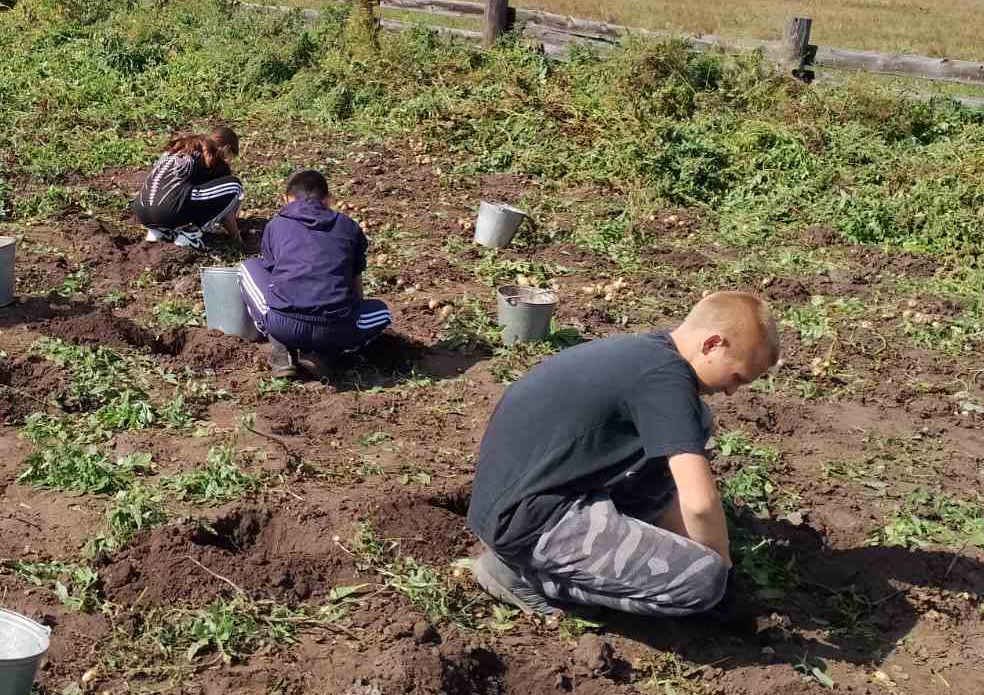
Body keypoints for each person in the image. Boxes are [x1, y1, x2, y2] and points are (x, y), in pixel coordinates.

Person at [464, 291, 780, 619]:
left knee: (695, 426)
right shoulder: (665, 379)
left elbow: (673, 491)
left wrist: (690, 543)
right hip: (530, 520)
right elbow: (700, 504)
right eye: (738, 377)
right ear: (714, 343)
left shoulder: (646, 354)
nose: (731, 391)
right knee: (703, 580)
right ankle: (523, 576)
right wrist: (724, 570)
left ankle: (541, 556)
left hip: (516, 495)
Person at [237, 169, 392, 380]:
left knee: (248, 267)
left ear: (286, 199)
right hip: (335, 328)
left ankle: (282, 352)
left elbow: (272, 276)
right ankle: (324, 356)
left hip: (284, 326)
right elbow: (357, 288)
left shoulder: (276, 225)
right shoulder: (349, 226)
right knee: (383, 312)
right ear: (328, 200)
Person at [133, 125, 244, 250]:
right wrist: (236, 238)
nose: (229, 161)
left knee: (182, 193)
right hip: (168, 210)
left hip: (141, 210)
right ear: (227, 148)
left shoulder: (179, 149)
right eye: (231, 156)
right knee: (234, 186)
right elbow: (222, 206)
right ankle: (190, 232)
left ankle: (160, 230)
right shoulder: (214, 160)